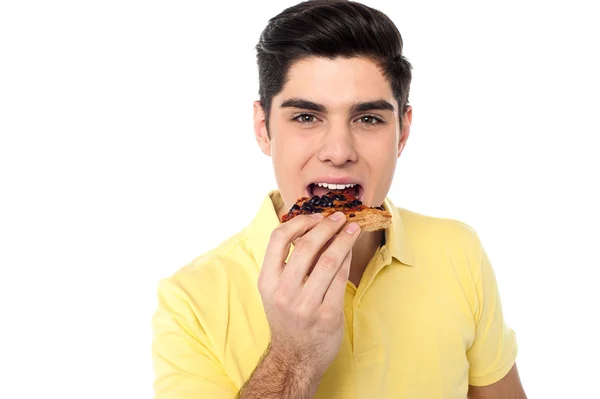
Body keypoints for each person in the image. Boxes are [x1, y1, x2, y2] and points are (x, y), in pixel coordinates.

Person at [151, 1, 527, 398]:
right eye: (306, 117)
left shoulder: (458, 249)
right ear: (263, 128)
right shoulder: (190, 301)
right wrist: (293, 357)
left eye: (368, 119)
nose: (338, 150)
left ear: (402, 132)